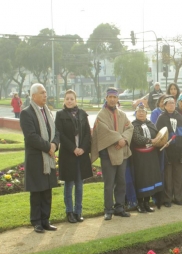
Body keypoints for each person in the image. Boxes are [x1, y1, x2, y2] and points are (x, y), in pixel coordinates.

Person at [20, 83, 60, 233]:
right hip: (37, 159)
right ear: (34, 96)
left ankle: (45, 220)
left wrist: (55, 145)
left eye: (45, 92)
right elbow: (31, 137)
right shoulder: (27, 113)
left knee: (47, 191)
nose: (45, 95)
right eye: (42, 93)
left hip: (48, 159)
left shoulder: (49, 112)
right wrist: (48, 147)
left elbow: (56, 132)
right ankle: (36, 222)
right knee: (37, 192)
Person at [91, 87, 134, 220]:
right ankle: (108, 209)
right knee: (109, 183)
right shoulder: (101, 115)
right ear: (106, 98)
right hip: (107, 154)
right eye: (110, 97)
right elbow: (103, 131)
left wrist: (125, 140)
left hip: (122, 152)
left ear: (117, 99)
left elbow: (130, 127)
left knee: (121, 181)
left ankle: (119, 207)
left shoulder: (122, 114)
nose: (112, 99)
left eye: (114, 97)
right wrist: (119, 139)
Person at [55, 89, 92, 223]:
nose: (69, 101)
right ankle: (69, 212)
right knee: (69, 185)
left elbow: (88, 133)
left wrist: (82, 148)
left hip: (81, 155)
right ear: (64, 100)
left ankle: (78, 211)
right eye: (67, 99)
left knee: (79, 185)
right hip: (68, 154)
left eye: (72, 99)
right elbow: (60, 134)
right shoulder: (60, 115)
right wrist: (73, 148)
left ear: (75, 100)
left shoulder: (82, 114)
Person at [156, 96, 182, 207]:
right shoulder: (161, 118)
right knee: (168, 176)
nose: (172, 105)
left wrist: (178, 140)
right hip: (167, 152)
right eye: (169, 103)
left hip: (179, 151)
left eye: (173, 103)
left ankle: (178, 197)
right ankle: (167, 199)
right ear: (165, 105)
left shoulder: (179, 117)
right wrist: (167, 139)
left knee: (178, 176)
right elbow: (158, 134)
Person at [130, 103, 164, 212]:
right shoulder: (133, 125)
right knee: (142, 179)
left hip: (151, 156)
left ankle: (146, 202)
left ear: (146, 113)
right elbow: (137, 138)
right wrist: (150, 141)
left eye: (143, 111)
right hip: (140, 157)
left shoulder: (151, 124)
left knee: (150, 178)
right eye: (139, 111)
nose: (141, 113)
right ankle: (140, 204)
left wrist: (163, 141)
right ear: (136, 113)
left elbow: (158, 136)